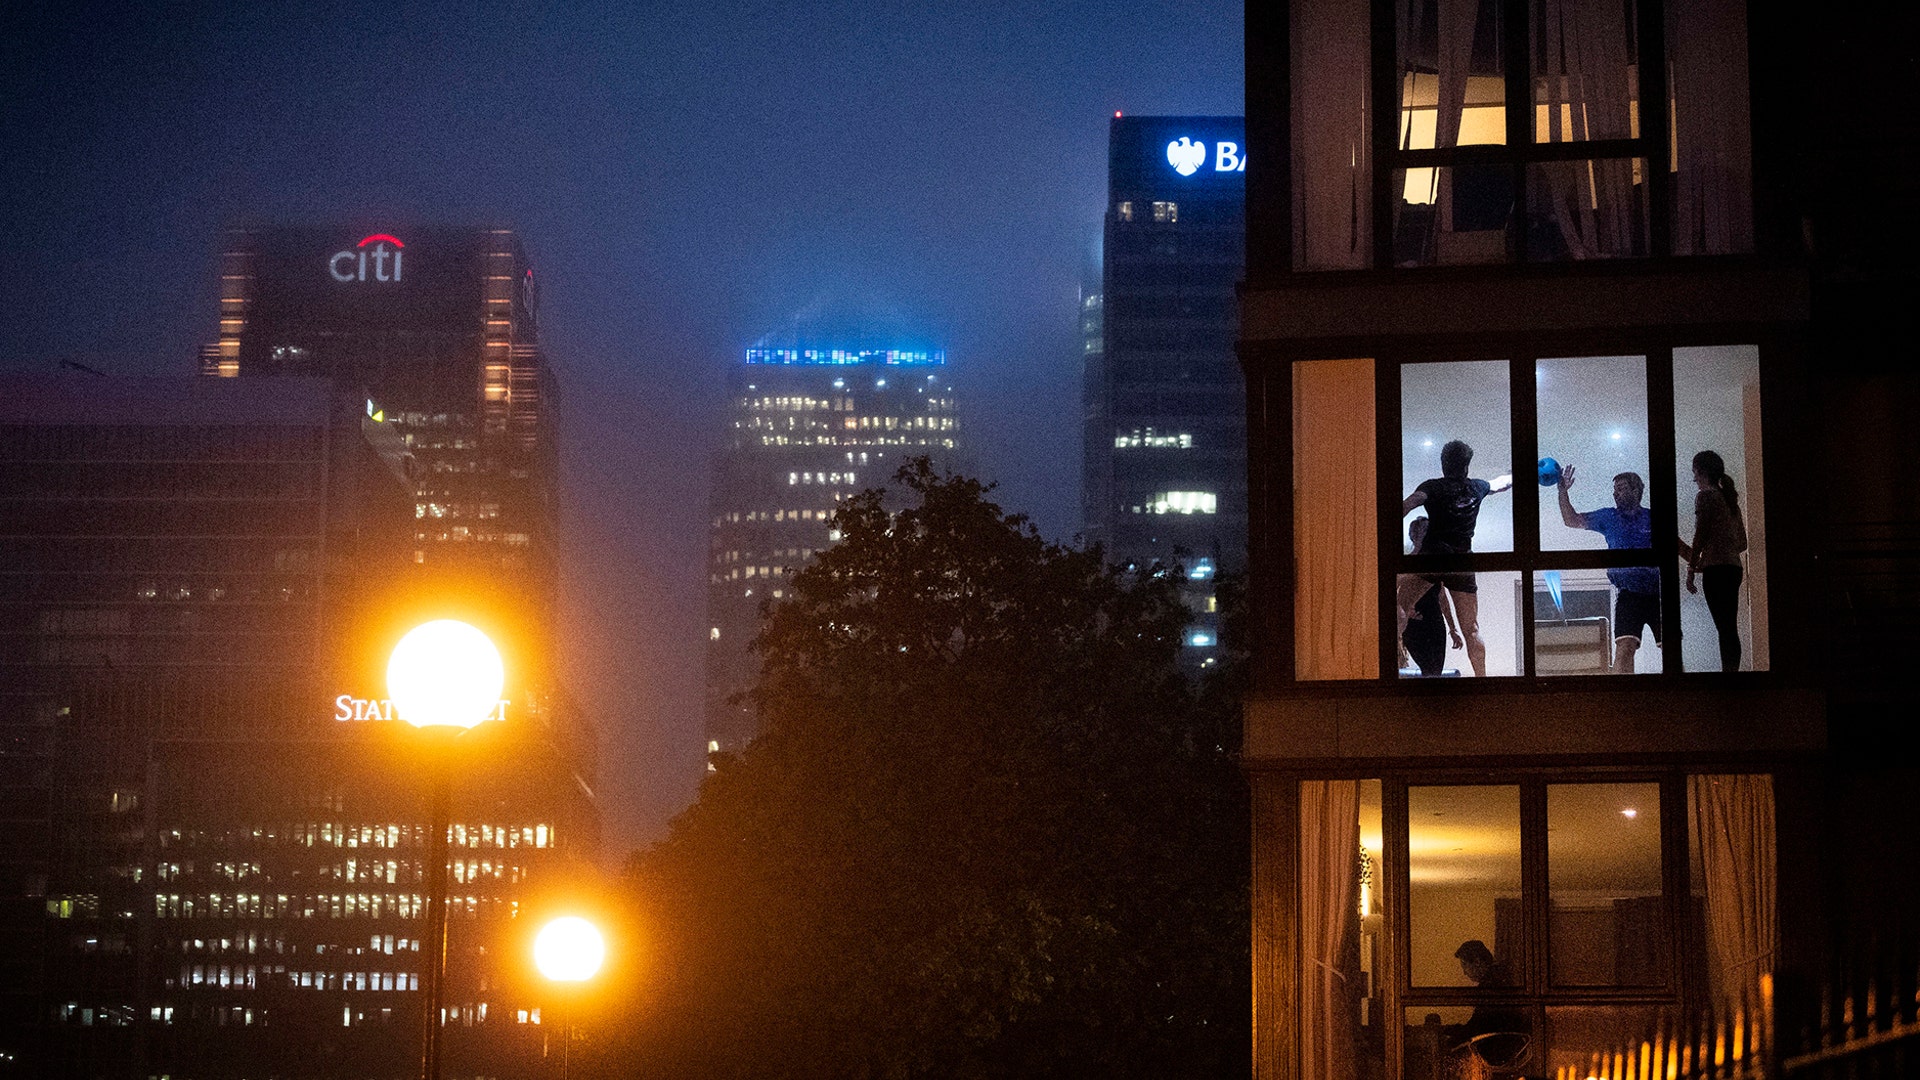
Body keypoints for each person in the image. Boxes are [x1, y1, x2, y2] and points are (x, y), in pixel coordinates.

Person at [1400, 440, 1513, 677]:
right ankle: (1481, 681)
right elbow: (1501, 483)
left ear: (1443, 464)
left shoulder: (1432, 487)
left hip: (1432, 558)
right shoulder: (1477, 487)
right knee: (1471, 629)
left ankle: (1391, 661)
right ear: (1467, 466)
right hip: (1461, 562)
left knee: (1398, 609)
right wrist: (1520, 471)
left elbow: (1410, 503)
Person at [1556, 465, 1660, 674]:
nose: (1615, 493)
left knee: (1672, 647)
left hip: (1659, 594)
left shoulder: (1653, 517)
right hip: (1628, 594)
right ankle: (1622, 700)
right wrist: (1562, 491)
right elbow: (1571, 520)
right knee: (1624, 647)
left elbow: (1673, 542)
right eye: (1614, 490)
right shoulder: (1609, 517)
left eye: (1621, 488)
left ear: (1636, 490)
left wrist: (1694, 564)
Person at [1677, 450, 1747, 671]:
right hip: (1733, 568)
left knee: (1723, 627)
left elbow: (1700, 535)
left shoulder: (1706, 496)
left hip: (1716, 571)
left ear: (1702, 472)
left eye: (1695, 473)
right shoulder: (1730, 501)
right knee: (1729, 627)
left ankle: (1727, 678)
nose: (1694, 479)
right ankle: (1731, 672)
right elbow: (1742, 543)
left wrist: (1691, 568)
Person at [1450, 940, 1529, 1072]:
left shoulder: (1489, 986)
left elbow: (1479, 1025)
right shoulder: (1504, 978)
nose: (1464, 972)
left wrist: (1453, 1036)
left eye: (1464, 965)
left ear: (1477, 961)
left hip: (1497, 1048)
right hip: (1514, 1045)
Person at [1401, 517, 1464, 676]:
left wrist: (1453, 628)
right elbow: (1397, 590)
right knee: (1428, 668)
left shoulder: (1435, 564)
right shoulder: (1407, 563)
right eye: (1417, 535)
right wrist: (1405, 610)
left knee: (1434, 669)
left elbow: (1442, 597)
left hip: (1435, 622)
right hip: (1414, 622)